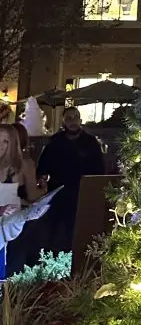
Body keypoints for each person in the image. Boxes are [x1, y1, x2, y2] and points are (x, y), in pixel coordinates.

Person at [37, 106, 105, 252]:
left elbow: (99, 170)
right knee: (53, 233)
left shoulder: (91, 143)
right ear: (63, 122)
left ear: (80, 120)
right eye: (69, 118)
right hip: (58, 193)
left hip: (82, 194)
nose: (72, 121)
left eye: (75, 118)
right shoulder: (54, 142)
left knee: (77, 231)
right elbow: (42, 167)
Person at [0, 123, 48, 207]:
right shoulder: (26, 164)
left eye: (5, 141)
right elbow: (32, 196)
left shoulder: (22, 164)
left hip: (12, 217)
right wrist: (44, 189)